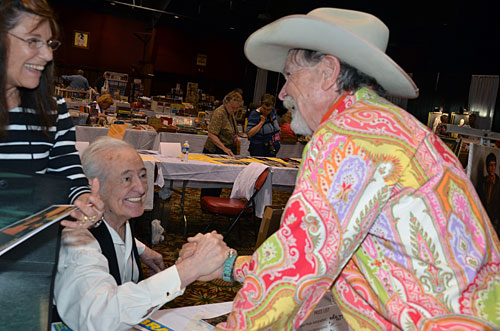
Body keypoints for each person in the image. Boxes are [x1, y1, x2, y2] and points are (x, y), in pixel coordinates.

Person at [181, 8, 500, 330]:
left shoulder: (351, 133)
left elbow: (302, 258)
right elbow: (333, 253)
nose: (283, 92)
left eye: (290, 75)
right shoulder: (379, 124)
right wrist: (231, 266)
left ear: (328, 71)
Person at [54, 137, 230, 331]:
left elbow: (111, 237)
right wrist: (188, 269)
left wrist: (141, 249)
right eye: (127, 179)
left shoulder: (121, 220)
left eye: (143, 175)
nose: (141, 188)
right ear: (93, 187)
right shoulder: (77, 238)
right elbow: (100, 317)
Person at [0, 0, 102, 226]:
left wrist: (83, 199)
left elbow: (67, 170)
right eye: (33, 41)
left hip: (31, 252)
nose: (47, 55)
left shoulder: (53, 109)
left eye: (48, 43)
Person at [476, 153, 500, 236]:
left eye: (494, 165)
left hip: (495, 221)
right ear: (487, 167)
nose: (492, 168)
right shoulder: (482, 183)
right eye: (490, 165)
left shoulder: (498, 183)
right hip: (484, 220)